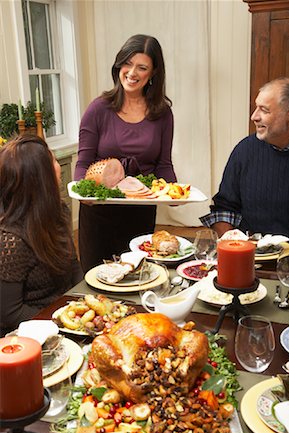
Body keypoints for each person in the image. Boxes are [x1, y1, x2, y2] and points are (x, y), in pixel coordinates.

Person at [75, 34, 176, 273]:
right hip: (99, 211)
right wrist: (81, 192)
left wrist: (174, 192)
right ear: (118, 66)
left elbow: (163, 164)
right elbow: (83, 162)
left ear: (152, 74)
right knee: (98, 278)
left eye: (141, 67)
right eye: (127, 64)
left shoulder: (163, 114)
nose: (132, 73)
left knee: (136, 276)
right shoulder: (98, 109)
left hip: (140, 212)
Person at [201, 77, 289, 244]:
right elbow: (224, 208)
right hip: (248, 255)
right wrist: (232, 245)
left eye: (264, 110)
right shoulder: (245, 150)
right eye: (256, 108)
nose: (254, 116)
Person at [0, 135, 82, 336]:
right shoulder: (10, 240)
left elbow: (74, 268)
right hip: (31, 335)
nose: (58, 167)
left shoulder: (58, 212)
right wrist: (61, 321)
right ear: (40, 178)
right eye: (52, 160)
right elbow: (9, 314)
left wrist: (85, 301)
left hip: (65, 317)